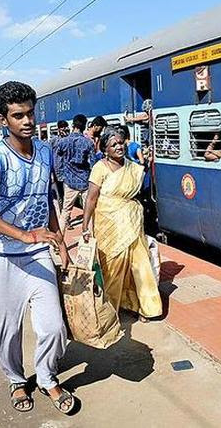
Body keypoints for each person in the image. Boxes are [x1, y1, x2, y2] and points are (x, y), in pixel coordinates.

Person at [0, 81, 74, 414]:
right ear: (3, 120)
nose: (27, 121)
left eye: (30, 113)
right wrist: (22, 235)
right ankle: (15, 379)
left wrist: (61, 242)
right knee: (7, 330)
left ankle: (47, 377)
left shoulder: (45, 152)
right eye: (17, 115)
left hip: (38, 255)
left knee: (53, 327)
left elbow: (47, 198)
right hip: (0, 258)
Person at [81, 126, 162, 322]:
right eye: (113, 144)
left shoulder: (132, 167)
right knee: (113, 267)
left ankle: (145, 307)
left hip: (132, 221)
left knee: (140, 264)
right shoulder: (100, 168)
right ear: (105, 149)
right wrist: (85, 226)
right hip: (108, 223)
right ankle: (110, 307)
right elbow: (91, 199)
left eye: (120, 142)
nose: (119, 147)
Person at [55, 114, 95, 231]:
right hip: (85, 181)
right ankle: (91, 237)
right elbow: (93, 164)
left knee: (65, 212)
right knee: (90, 211)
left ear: (73, 125)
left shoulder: (63, 142)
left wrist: (60, 175)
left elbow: (58, 160)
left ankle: (59, 239)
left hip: (69, 181)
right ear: (84, 126)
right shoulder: (88, 143)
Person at [50, 120, 69, 208]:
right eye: (62, 127)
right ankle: (62, 208)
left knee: (68, 191)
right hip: (57, 169)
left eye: (65, 127)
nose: (64, 129)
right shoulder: (54, 140)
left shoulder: (69, 139)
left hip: (67, 168)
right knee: (60, 191)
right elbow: (50, 153)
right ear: (58, 129)